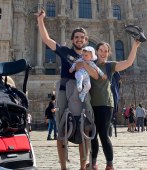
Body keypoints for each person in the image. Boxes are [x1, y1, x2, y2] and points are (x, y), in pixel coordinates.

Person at [37, 10, 98, 170]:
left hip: (83, 92)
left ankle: (82, 166)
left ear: (86, 40)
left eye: (82, 37)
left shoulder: (90, 57)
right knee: (62, 127)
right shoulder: (65, 51)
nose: (79, 39)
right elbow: (46, 39)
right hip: (65, 89)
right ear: (73, 40)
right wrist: (41, 20)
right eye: (76, 37)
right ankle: (63, 166)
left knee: (85, 127)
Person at [89, 40, 141, 170]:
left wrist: (134, 46)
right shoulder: (90, 64)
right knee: (92, 134)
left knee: (103, 134)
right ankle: (93, 162)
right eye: (101, 50)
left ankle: (109, 164)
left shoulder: (110, 66)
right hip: (91, 105)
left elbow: (128, 63)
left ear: (108, 53)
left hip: (106, 104)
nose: (103, 53)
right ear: (96, 51)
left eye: (106, 51)